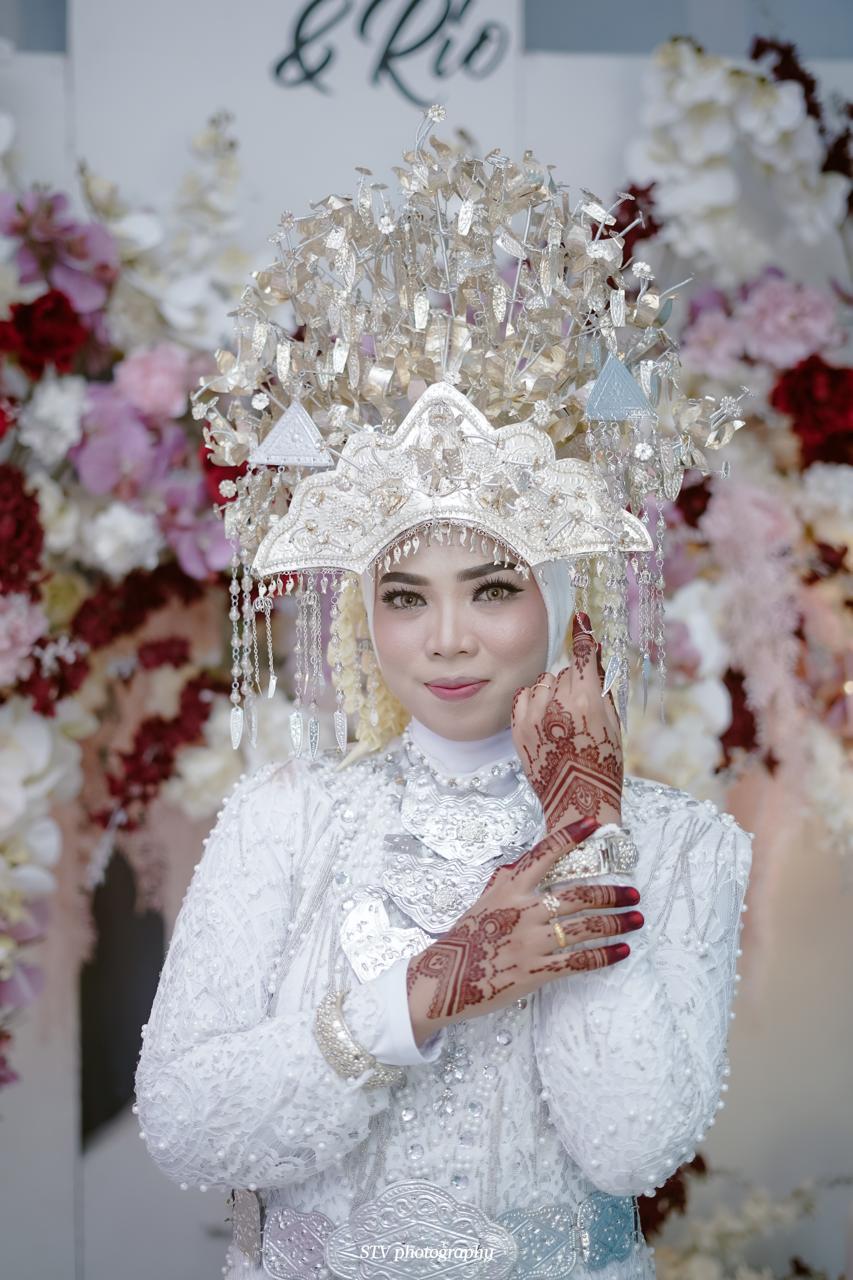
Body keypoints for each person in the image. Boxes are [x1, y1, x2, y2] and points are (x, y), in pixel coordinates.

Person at [134, 116, 752, 1279]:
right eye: (406, 595)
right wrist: (425, 988)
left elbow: (631, 1145)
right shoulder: (287, 818)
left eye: (494, 587)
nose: (448, 637)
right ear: (363, 614)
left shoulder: (678, 842)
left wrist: (581, 828)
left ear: (565, 600)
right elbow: (185, 1122)